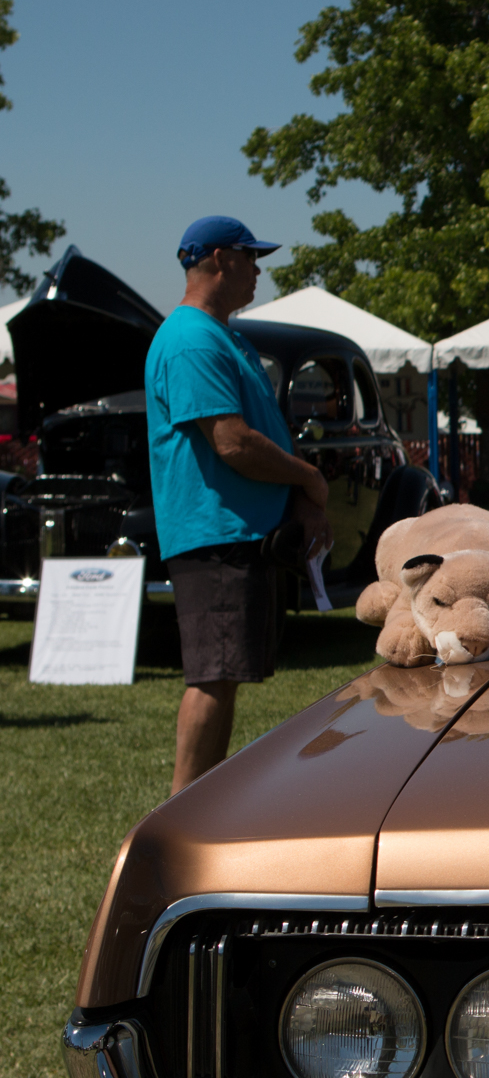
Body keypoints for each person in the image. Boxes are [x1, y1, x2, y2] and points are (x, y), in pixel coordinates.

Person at [147, 216, 331, 794]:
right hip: (214, 536)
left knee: (223, 675)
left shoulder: (223, 336)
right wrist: (310, 479)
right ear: (222, 259)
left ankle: (196, 806)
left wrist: (299, 496)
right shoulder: (191, 338)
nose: (258, 271)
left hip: (236, 534)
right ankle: (178, 817)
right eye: (252, 259)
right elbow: (231, 442)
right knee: (212, 676)